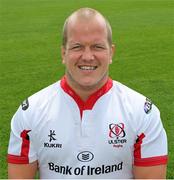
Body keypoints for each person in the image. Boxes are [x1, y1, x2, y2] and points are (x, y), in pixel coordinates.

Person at [7, 7, 168, 179]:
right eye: (77, 47)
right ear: (63, 53)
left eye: (97, 47)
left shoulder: (142, 112)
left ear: (111, 52)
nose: (88, 56)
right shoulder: (30, 112)